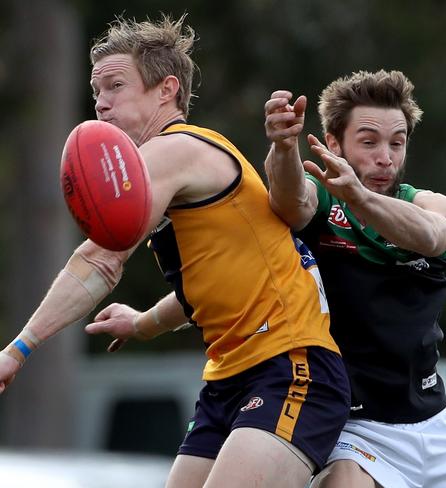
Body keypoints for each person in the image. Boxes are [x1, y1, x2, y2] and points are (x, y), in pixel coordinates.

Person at [0, 15, 351, 488]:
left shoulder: (175, 149)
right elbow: (201, 288)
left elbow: (100, 260)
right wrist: (143, 323)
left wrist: (19, 350)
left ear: (166, 90)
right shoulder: (166, 184)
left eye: (115, 86)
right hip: (229, 378)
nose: (100, 104)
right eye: (95, 90)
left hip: (289, 365)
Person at [263, 70, 446, 487]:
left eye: (396, 143)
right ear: (334, 144)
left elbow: (434, 236)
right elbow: (290, 200)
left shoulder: (427, 203)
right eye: (369, 142)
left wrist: (359, 197)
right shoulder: (321, 197)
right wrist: (283, 146)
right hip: (355, 430)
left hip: (436, 425)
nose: (385, 157)